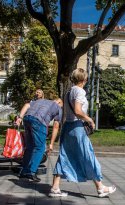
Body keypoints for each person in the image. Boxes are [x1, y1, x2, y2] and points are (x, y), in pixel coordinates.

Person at [49, 68, 116, 198]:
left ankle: (55, 187)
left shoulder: (68, 92)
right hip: (77, 128)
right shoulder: (79, 91)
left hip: (67, 127)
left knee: (64, 155)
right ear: (84, 79)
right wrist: (90, 119)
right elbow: (78, 111)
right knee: (88, 155)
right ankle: (101, 188)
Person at [15, 98, 63, 182]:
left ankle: (23, 171)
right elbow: (56, 126)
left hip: (27, 119)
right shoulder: (58, 108)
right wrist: (51, 143)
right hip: (39, 121)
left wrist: (20, 118)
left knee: (29, 147)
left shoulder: (40, 100)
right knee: (40, 148)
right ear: (60, 103)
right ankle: (32, 172)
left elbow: (26, 105)